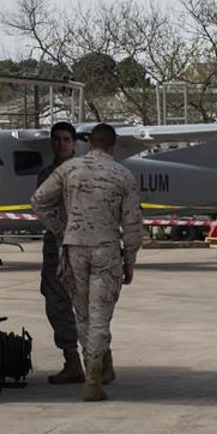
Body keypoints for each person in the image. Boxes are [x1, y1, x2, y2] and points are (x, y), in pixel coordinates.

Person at [33, 122, 143, 402]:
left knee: (82, 315)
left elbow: (38, 201)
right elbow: (132, 224)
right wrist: (130, 260)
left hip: (74, 251)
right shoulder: (123, 174)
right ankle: (94, 377)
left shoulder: (69, 169)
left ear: (90, 143)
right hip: (106, 250)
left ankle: (91, 370)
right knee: (99, 316)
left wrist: (61, 231)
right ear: (112, 146)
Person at [33, 121, 84, 384]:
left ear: (74, 143)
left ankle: (100, 361)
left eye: (66, 139)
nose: (61, 144)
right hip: (56, 246)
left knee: (89, 304)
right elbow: (42, 207)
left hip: (82, 245)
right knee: (56, 302)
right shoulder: (46, 174)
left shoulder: (85, 172)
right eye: (56, 139)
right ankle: (72, 360)